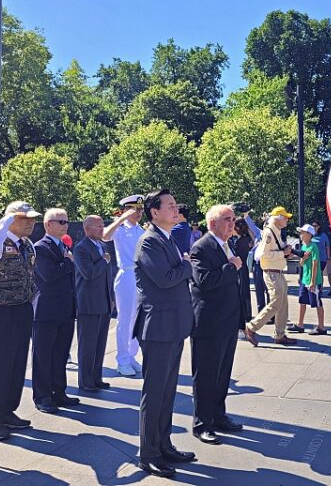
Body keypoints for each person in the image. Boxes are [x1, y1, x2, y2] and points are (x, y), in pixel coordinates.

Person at [133, 189, 196, 478]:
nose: (175, 209)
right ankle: (148, 454)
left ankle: (164, 444)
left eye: (175, 205)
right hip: (157, 327)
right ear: (154, 212)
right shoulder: (149, 242)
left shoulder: (166, 239)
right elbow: (166, 278)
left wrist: (182, 263)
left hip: (172, 325)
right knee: (155, 391)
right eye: (169, 206)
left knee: (168, 391)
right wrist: (186, 264)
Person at [0, 201, 40, 441]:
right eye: (25, 218)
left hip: (22, 308)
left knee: (16, 364)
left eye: (33, 218)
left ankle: (7, 411)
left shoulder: (27, 245)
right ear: (10, 220)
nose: (31, 223)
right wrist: (8, 218)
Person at [189, 205, 245, 445]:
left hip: (227, 320)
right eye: (227, 220)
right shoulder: (201, 247)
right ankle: (202, 423)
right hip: (209, 323)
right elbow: (204, 281)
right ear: (212, 223)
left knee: (222, 373)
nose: (232, 224)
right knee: (206, 375)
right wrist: (231, 266)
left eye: (233, 219)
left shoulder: (226, 244)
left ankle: (218, 416)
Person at [31, 208, 79, 413]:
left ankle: (58, 392)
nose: (65, 225)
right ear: (48, 225)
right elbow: (48, 274)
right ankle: (42, 396)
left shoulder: (63, 246)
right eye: (60, 221)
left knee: (60, 353)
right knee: (43, 355)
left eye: (66, 221)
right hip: (47, 310)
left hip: (64, 309)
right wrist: (68, 261)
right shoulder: (40, 247)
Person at [103, 195, 146, 377]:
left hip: (141, 275)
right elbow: (105, 236)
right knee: (125, 319)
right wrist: (121, 218)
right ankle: (122, 360)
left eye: (140, 209)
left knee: (138, 320)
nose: (138, 213)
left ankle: (131, 356)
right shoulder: (121, 229)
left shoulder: (142, 230)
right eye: (134, 209)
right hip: (127, 274)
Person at [244, 206, 297, 346]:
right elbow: (262, 255)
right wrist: (283, 254)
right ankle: (251, 327)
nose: (287, 219)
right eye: (285, 217)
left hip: (277, 271)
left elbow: (275, 251)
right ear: (278, 218)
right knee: (276, 303)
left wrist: (286, 254)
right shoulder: (269, 233)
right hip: (272, 272)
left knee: (282, 303)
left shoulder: (275, 231)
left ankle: (279, 334)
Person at [73, 215, 115, 391]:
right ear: (87, 229)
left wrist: (111, 297)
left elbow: (107, 276)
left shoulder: (102, 246)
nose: (101, 229)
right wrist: (104, 260)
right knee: (88, 345)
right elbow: (88, 273)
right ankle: (86, 381)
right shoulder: (81, 248)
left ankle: (96, 377)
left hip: (104, 302)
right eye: (97, 226)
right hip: (89, 303)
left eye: (102, 225)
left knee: (99, 344)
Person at [289, 224, 326, 336]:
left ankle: (321, 327)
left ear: (309, 235)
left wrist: (312, 282)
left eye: (303, 232)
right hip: (305, 279)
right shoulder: (304, 246)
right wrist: (303, 259)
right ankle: (300, 325)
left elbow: (315, 264)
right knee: (302, 301)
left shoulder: (313, 247)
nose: (301, 235)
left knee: (317, 302)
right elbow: (301, 263)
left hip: (313, 280)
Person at [233, 218, 253, 325]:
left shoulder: (240, 241)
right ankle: (247, 314)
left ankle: (245, 314)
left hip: (240, 268)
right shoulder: (243, 239)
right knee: (244, 291)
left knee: (242, 292)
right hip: (243, 268)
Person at [310, 220, 330, 294]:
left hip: (322, 258)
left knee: (319, 273)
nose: (314, 227)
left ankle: (320, 287)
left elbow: (327, 246)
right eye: (312, 226)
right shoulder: (310, 235)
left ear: (318, 227)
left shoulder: (323, 235)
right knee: (313, 272)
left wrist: (328, 257)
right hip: (312, 258)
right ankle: (313, 286)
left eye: (315, 226)